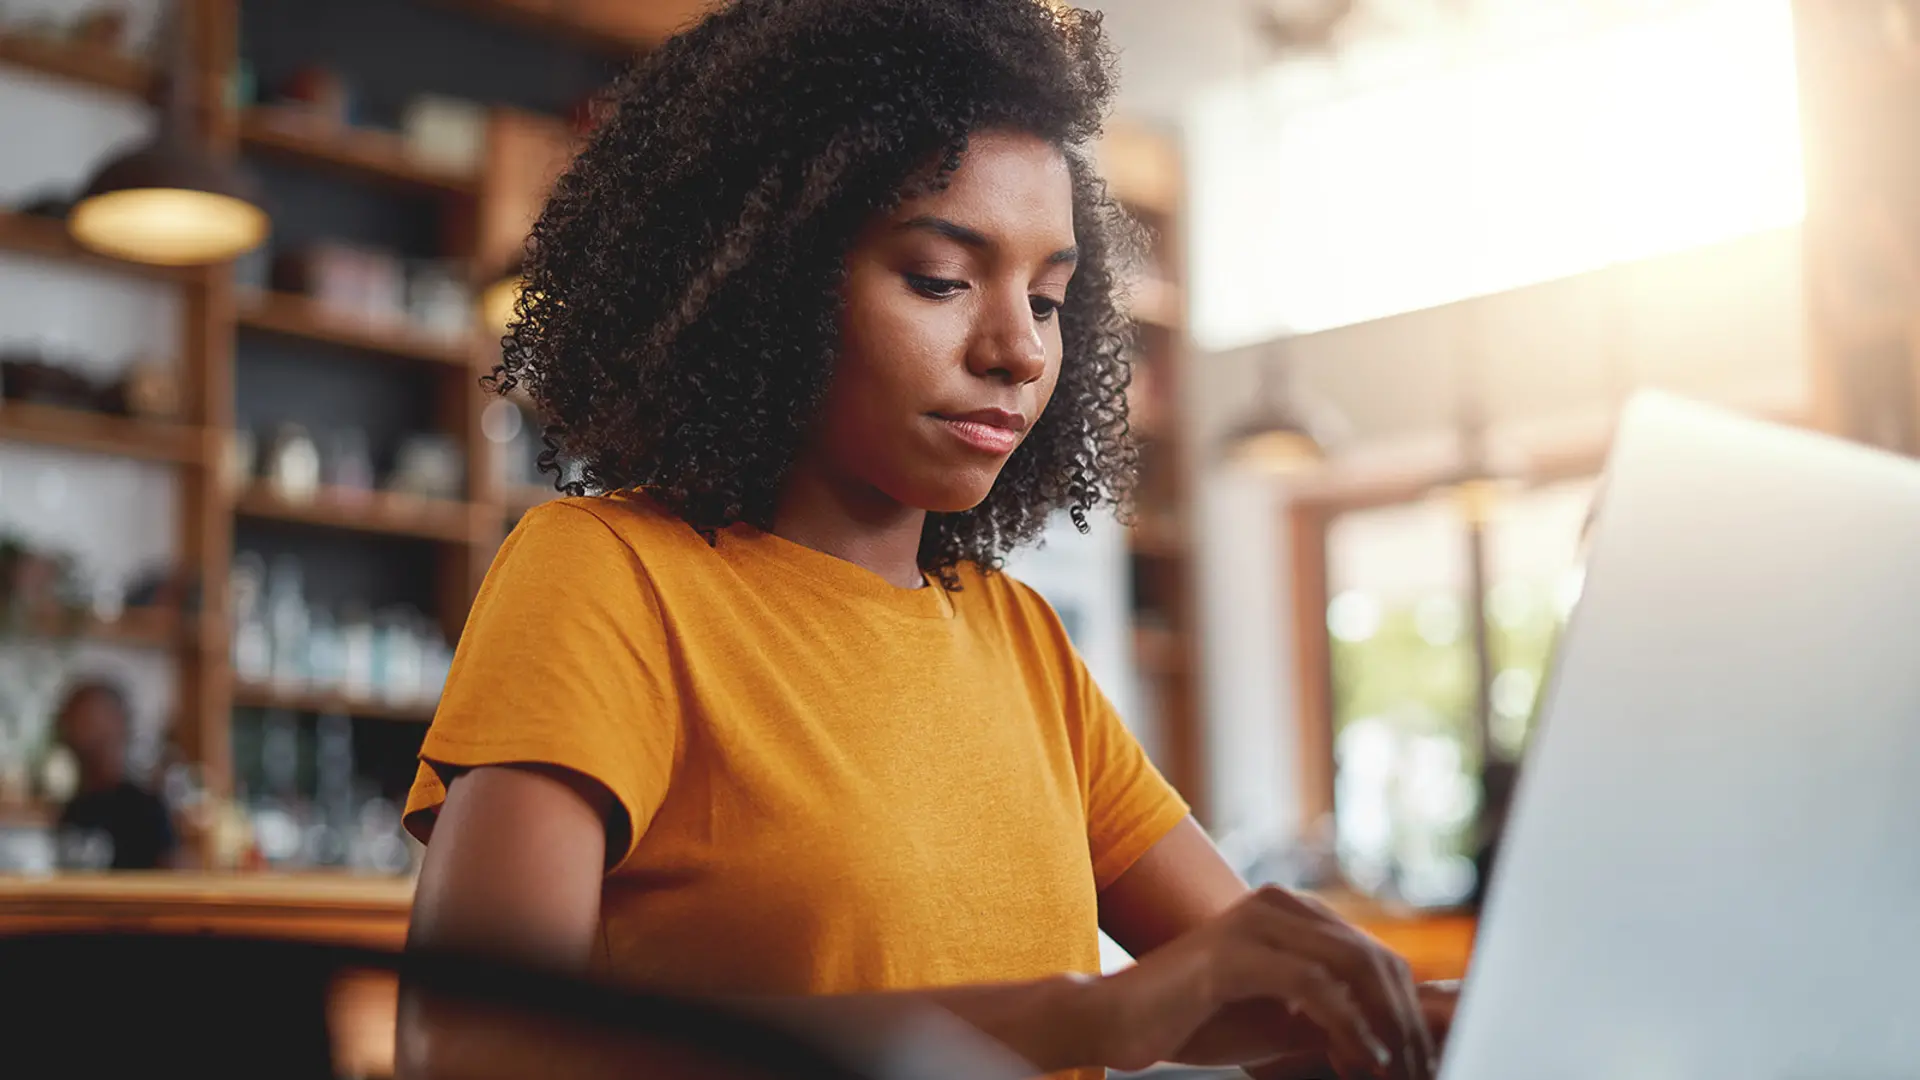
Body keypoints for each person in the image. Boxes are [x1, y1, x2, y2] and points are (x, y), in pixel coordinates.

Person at [400, 2, 1456, 1077]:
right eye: (940, 280)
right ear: (764, 281)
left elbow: (1268, 1001)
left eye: (1048, 299)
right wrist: (1080, 1017)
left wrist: (1436, 1017)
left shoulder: (1019, 640)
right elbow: (472, 1048)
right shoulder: (608, 577)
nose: (1017, 350)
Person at [55, 679, 176, 871]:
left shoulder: (145, 809)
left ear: (118, 724)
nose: (79, 732)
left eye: (89, 720)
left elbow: (172, 879)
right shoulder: (73, 809)